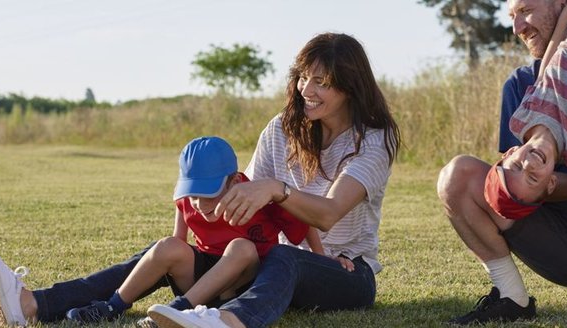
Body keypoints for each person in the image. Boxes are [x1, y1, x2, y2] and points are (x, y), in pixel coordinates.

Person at [143, 32, 401, 328]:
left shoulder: (374, 139)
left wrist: (278, 190)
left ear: (350, 88)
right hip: (271, 263)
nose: (306, 89)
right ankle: (89, 298)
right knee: (168, 249)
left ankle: (225, 321)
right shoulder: (281, 128)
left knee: (284, 256)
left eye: (322, 82)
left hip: (346, 271)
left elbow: (328, 214)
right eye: (303, 78)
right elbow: (246, 202)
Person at [0, 136, 321, 327]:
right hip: (204, 279)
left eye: (209, 194)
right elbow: (180, 246)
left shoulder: (256, 195)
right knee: (167, 246)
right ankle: (112, 306)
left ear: (234, 181)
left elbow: (303, 226)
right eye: (193, 193)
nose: (200, 204)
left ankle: (179, 309)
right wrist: (167, 255)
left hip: (244, 283)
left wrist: (327, 260)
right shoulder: (189, 202)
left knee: (242, 247)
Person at [437, 0, 567, 325]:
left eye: (525, 10)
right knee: (457, 177)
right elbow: (523, 188)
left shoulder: (559, 74)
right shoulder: (521, 87)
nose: (517, 28)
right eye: (511, 17)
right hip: (563, 245)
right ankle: (511, 296)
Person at [484, 0, 567, 220]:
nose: (529, 163)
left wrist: (566, 15)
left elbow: (545, 67)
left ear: (512, 152)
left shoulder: (522, 117)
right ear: (551, 182)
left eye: (518, 165)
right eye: (532, 178)